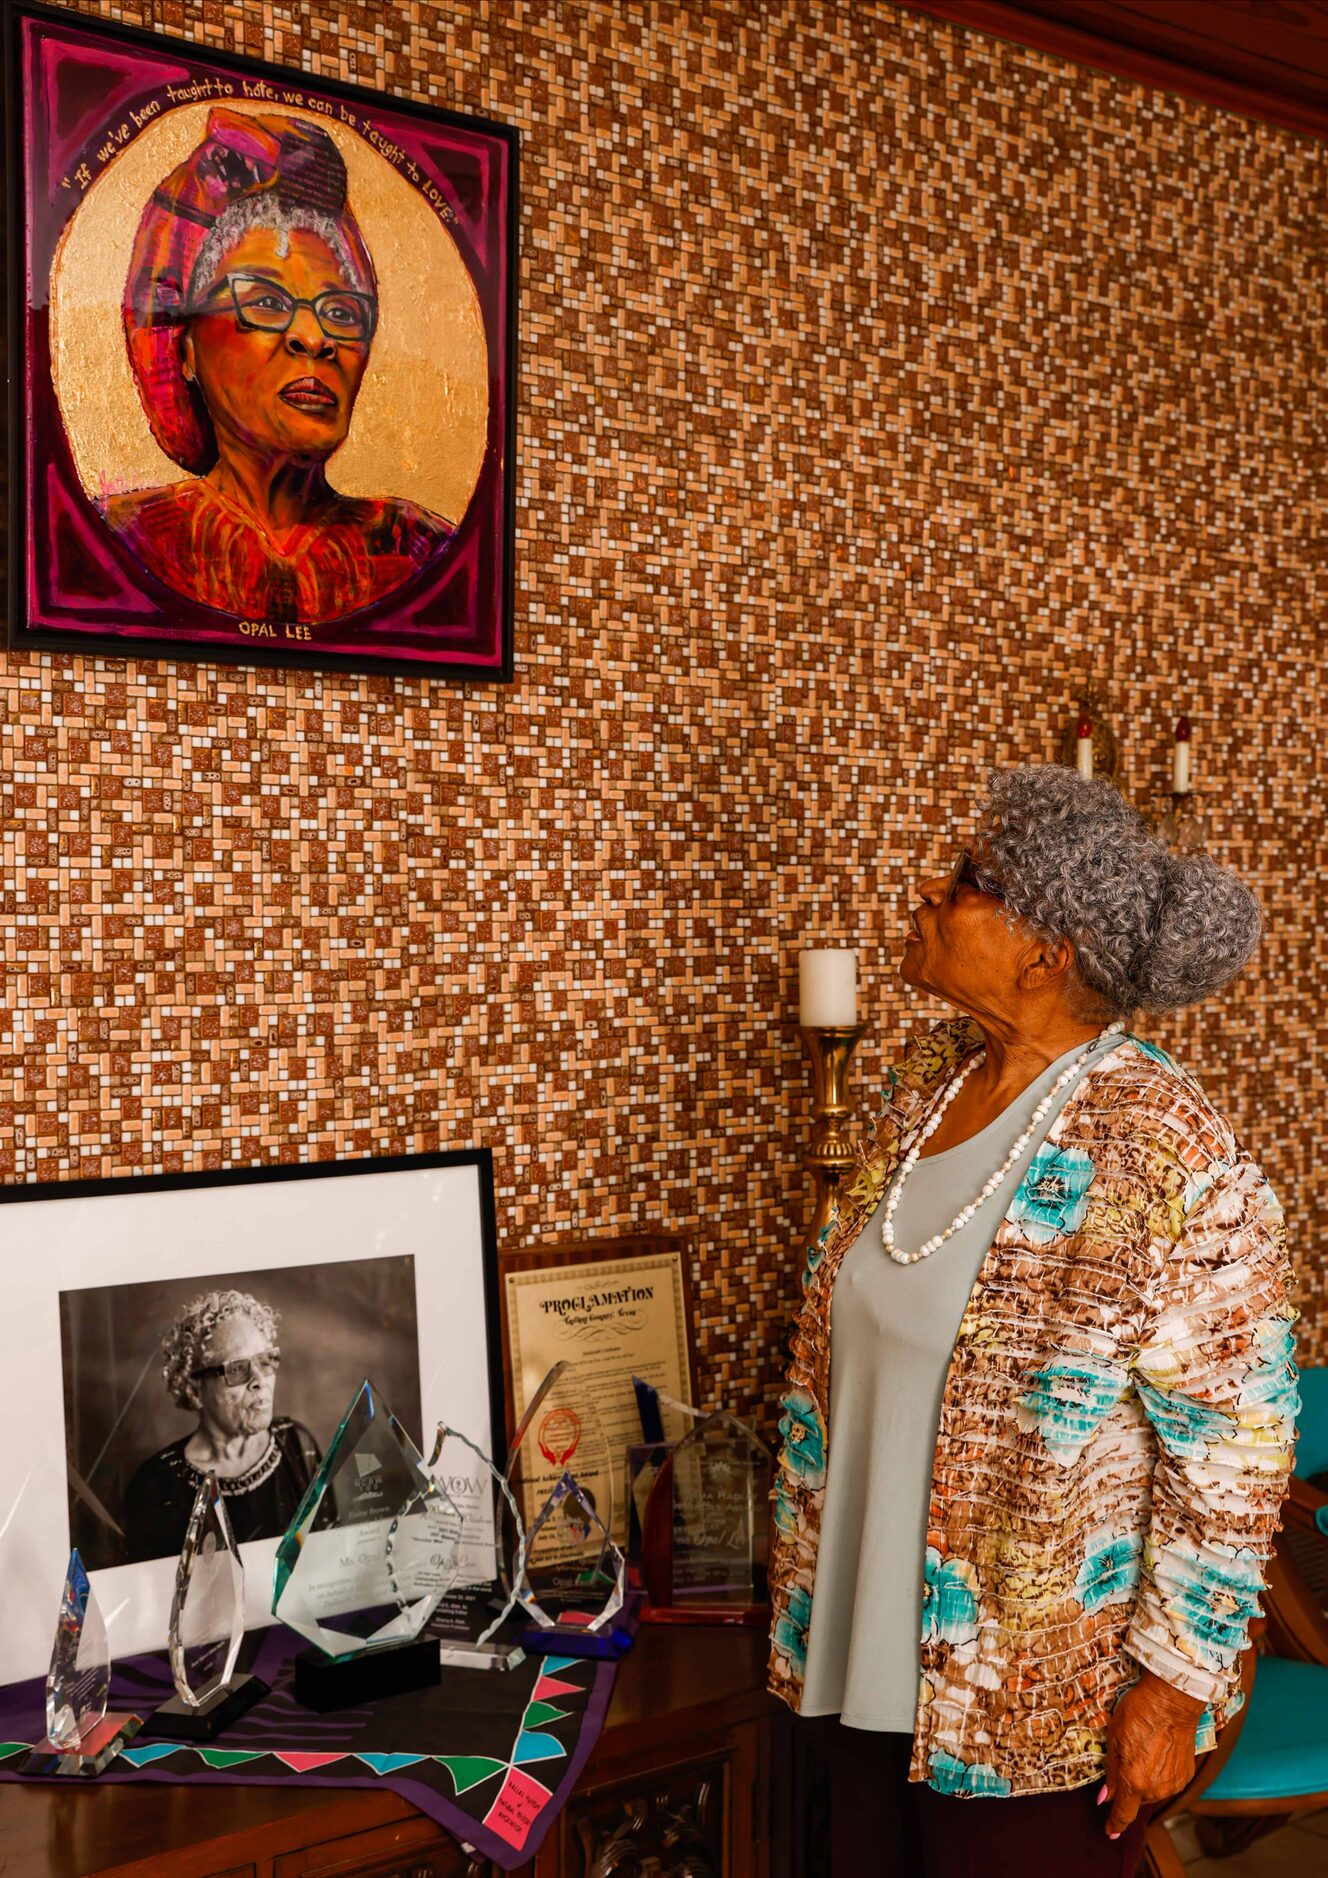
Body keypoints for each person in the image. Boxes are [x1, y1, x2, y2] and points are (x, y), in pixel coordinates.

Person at [768, 765, 1298, 1877]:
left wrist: (1171, 1690)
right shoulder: (918, 1086)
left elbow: (1234, 1462)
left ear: (1043, 951)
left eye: (963, 883)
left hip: (1030, 1713)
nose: (925, 894)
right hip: (848, 1663)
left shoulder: (1164, 1147)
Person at [101, 109, 451, 623]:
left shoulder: (417, 549)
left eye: (340, 312)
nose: (315, 338)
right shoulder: (123, 540)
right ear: (184, 347)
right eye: (265, 302)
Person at [123, 1288, 321, 1562]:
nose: (260, 1381)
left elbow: (329, 1562)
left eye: (265, 1361)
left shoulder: (298, 1445)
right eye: (237, 1369)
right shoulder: (157, 1486)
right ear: (194, 1390)